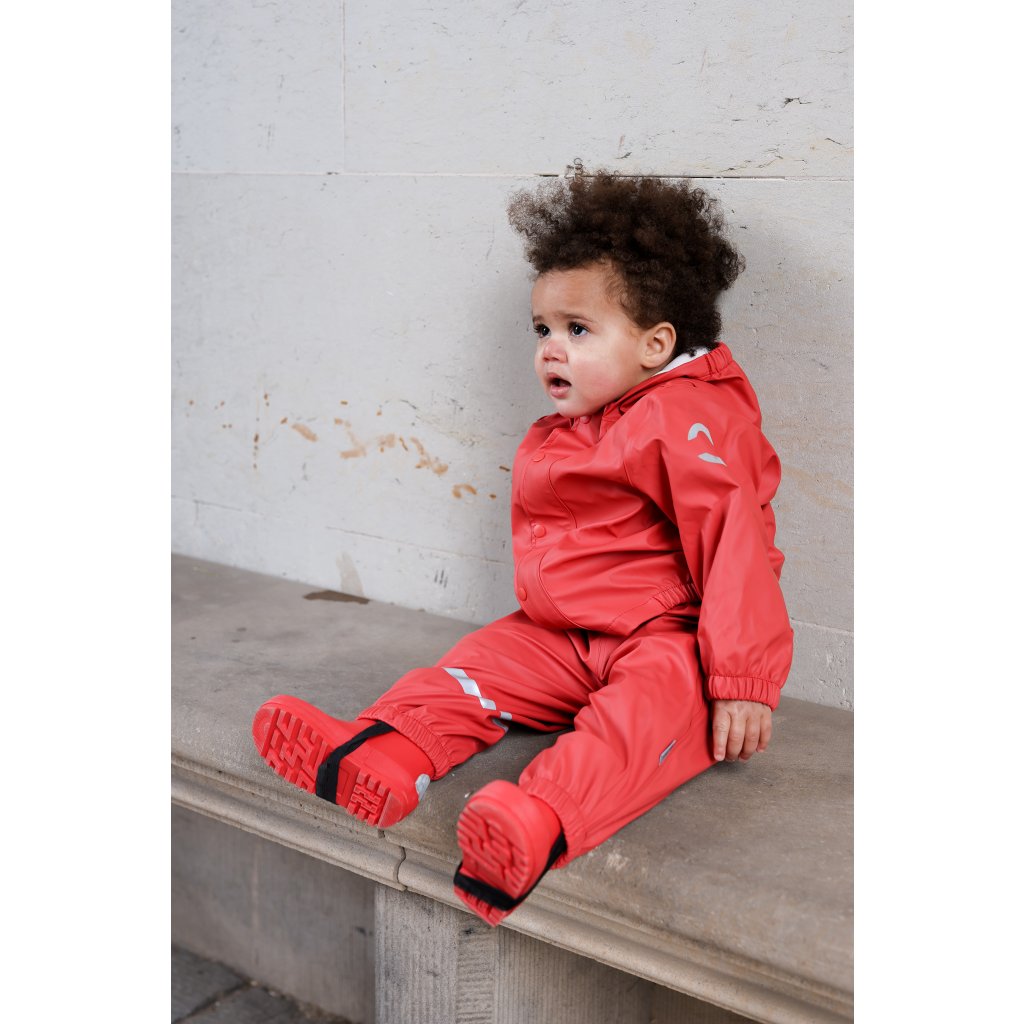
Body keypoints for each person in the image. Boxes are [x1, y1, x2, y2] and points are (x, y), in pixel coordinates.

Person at [252, 165, 794, 927]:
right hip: (565, 634)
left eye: (578, 330)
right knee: (478, 664)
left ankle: (537, 819)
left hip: (666, 636)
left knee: (649, 714)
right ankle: (386, 752)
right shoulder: (592, 419)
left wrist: (742, 678)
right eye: (542, 330)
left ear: (655, 342)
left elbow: (735, 543)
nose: (551, 350)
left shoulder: (685, 417)